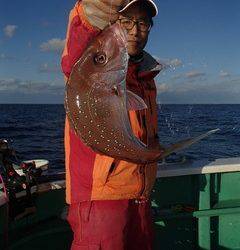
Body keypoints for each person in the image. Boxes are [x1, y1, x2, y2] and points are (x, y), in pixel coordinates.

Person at [61, 0, 163, 249]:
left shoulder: (145, 77)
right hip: (101, 197)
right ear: (113, 21)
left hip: (140, 196)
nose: (134, 30)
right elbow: (88, 17)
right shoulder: (84, 59)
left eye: (143, 24)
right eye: (126, 21)